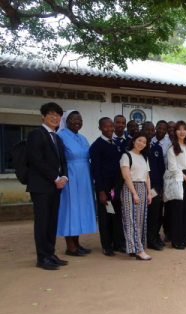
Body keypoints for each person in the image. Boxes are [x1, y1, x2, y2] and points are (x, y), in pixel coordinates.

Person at [27, 102, 69, 270]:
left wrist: (64, 176)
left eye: (58, 115)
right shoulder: (36, 134)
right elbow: (37, 161)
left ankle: (50, 254)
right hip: (41, 186)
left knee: (52, 221)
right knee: (42, 221)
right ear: (43, 116)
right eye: (51, 115)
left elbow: (63, 160)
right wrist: (56, 177)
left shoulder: (57, 137)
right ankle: (42, 257)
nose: (55, 118)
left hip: (55, 186)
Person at [56, 110, 97, 256]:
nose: (77, 122)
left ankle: (77, 244)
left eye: (79, 120)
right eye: (73, 120)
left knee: (79, 209)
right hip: (70, 177)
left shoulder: (82, 137)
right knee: (70, 209)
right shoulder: (60, 136)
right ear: (66, 121)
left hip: (84, 177)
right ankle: (70, 246)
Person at [90, 117, 126, 256]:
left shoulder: (116, 143)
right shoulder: (97, 146)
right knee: (105, 217)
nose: (109, 129)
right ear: (100, 128)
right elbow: (96, 171)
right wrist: (101, 191)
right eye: (106, 127)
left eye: (111, 126)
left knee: (117, 215)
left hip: (115, 186)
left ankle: (118, 244)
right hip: (104, 186)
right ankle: (106, 246)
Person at [120, 132, 152, 259]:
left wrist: (149, 193)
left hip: (143, 188)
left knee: (141, 220)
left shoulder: (144, 157)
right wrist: (134, 193)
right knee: (131, 220)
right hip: (130, 188)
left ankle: (136, 247)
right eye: (139, 140)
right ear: (133, 141)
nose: (141, 144)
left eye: (144, 142)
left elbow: (147, 176)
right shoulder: (126, 156)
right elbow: (126, 176)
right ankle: (138, 250)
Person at [167, 121, 186, 249]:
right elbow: (172, 167)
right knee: (177, 211)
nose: (181, 132)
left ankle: (184, 239)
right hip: (178, 179)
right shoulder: (171, 147)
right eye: (179, 129)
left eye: (184, 129)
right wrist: (185, 178)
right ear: (175, 132)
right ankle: (176, 241)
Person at [142, 122, 166, 251]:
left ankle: (152, 238)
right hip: (140, 186)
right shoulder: (138, 147)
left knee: (155, 214)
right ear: (142, 130)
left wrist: (161, 187)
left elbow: (161, 168)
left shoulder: (157, 148)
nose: (150, 132)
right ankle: (144, 240)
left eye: (152, 130)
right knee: (142, 215)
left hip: (155, 186)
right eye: (147, 130)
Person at [150, 120, 171, 242]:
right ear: (156, 128)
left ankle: (162, 233)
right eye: (159, 128)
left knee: (162, 210)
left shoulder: (169, 144)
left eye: (164, 129)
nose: (161, 131)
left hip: (164, 181)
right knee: (153, 210)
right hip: (151, 182)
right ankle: (150, 235)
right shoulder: (146, 142)